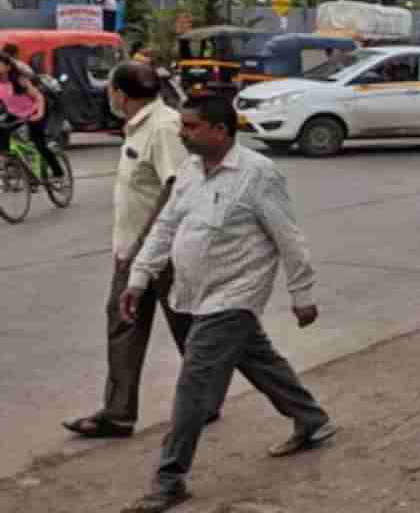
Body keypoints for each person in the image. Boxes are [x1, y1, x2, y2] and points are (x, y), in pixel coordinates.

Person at [119, 96, 336, 513]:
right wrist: (139, 277)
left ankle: (170, 479)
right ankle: (311, 418)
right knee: (257, 358)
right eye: (182, 125)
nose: (181, 133)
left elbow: (288, 237)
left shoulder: (257, 174)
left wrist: (302, 293)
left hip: (235, 294)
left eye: (190, 127)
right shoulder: (187, 171)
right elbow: (166, 227)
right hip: (196, 291)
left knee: (194, 383)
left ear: (220, 130)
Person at [63, 64, 211, 441]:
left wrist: (149, 244)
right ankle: (118, 414)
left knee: (188, 328)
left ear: (120, 94)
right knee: (123, 323)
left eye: (111, 88)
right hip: (133, 250)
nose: (109, 95)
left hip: (164, 252)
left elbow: (178, 186)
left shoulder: (163, 127)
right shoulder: (142, 126)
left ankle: (208, 399)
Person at [0, 51, 64, 182]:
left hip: (36, 110)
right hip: (15, 113)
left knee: (39, 144)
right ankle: (12, 163)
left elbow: (38, 97)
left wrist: (39, 114)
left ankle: (58, 172)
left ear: (8, 66)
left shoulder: (19, 79)